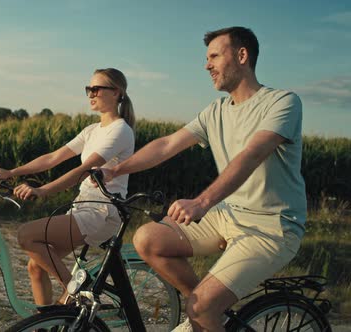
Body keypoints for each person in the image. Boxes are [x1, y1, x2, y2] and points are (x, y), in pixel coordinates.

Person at [99, 27, 305, 331]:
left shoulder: (282, 102)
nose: (206, 65)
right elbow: (168, 144)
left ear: (242, 56)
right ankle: (209, 311)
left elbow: (252, 154)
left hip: (271, 227)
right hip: (227, 215)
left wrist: (202, 201)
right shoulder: (216, 110)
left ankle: (205, 310)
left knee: (200, 307)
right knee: (148, 239)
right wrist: (116, 169)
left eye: (214, 56)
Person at [0, 68, 136, 306]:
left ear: (116, 93)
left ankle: (78, 294)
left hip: (102, 211)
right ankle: (47, 324)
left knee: (26, 235)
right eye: (88, 89)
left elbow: (83, 170)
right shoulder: (92, 130)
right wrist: (12, 172)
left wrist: (43, 190)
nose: (91, 94)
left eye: (96, 89)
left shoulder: (120, 130)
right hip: (84, 208)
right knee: (36, 266)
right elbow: (53, 158)